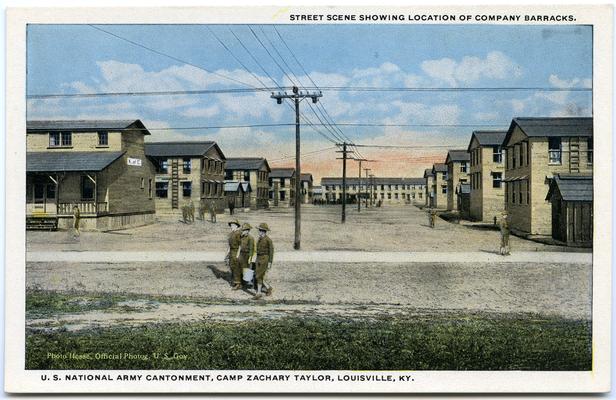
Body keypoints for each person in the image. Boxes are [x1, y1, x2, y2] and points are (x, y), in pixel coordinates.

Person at [254, 223, 274, 299]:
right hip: (258, 258)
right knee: (258, 275)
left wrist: (270, 262)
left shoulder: (268, 240)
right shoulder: (259, 239)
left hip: (264, 259)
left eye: (260, 230)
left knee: (258, 275)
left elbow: (271, 252)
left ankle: (258, 293)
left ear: (263, 231)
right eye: (259, 230)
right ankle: (268, 287)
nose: (258, 232)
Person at [237, 223, 255, 290]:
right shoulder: (242, 237)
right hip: (242, 254)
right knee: (240, 267)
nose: (243, 231)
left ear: (248, 230)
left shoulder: (251, 238)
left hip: (247, 255)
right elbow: (240, 246)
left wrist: (250, 257)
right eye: (242, 230)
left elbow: (251, 249)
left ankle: (250, 283)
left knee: (247, 269)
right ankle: (242, 283)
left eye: (244, 230)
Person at [225, 218, 242, 289]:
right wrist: (227, 254)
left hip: (236, 251)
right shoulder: (231, 234)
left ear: (236, 226)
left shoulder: (238, 233)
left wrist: (238, 255)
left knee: (236, 267)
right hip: (231, 251)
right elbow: (229, 245)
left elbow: (241, 245)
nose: (231, 226)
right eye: (231, 225)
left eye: (233, 225)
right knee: (231, 266)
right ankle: (235, 281)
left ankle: (238, 283)